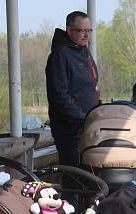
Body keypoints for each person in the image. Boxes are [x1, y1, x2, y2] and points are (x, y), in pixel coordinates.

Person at [45, 11, 100, 167]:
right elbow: (59, 95)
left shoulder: (84, 51)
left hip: (87, 126)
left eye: (89, 30)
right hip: (69, 130)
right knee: (74, 176)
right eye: (82, 31)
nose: (86, 35)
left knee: (89, 175)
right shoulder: (60, 55)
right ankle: (69, 193)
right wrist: (82, 118)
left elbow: (91, 84)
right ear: (69, 30)